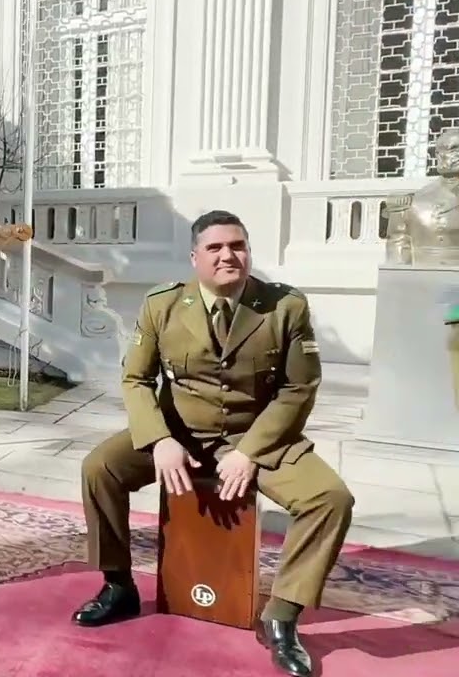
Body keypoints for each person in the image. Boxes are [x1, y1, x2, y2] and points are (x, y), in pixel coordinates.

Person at [72, 210, 354, 677]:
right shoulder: (162, 304)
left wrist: (250, 452)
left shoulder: (284, 307)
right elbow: (136, 379)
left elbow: (298, 388)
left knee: (330, 498)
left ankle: (282, 617)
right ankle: (118, 585)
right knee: (99, 468)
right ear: (195, 257)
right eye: (216, 248)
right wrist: (158, 439)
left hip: (255, 434)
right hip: (179, 431)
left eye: (238, 246)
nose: (229, 255)